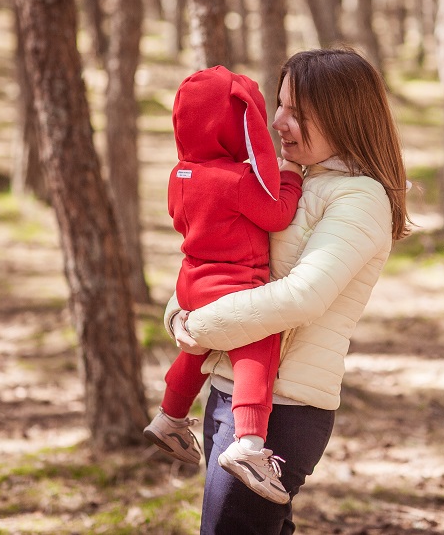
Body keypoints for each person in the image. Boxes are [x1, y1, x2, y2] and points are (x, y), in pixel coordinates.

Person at [164, 48, 410, 534]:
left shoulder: (358, 198)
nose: (278, 122)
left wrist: (202, 325)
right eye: (279, 105)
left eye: (297, 113)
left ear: (343, 118)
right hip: (229, 391)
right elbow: (217, 258)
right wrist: (178, 315)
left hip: (284, 408)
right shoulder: (286, 177)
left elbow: (304, 296)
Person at [144, 65, 303, 505]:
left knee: (196, 347)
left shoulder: (179, 174)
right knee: (258, 347)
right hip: (235, 286)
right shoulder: (235, 180)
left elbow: (181, 221)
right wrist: (287, 176)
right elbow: (277, 215)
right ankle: (249, 446)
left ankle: (170, 417)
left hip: (192, 282)